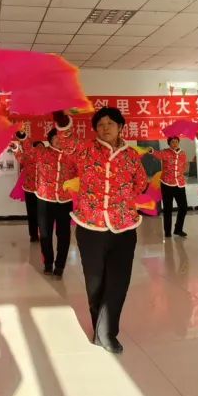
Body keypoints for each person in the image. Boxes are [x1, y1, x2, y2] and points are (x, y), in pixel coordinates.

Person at [55, 108, 149, 354]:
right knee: (95, 284)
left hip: (124, 227)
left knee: (118, 282)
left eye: (110, 123)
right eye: (100, 124)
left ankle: (107, 333)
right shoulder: (85, 150)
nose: (105, 128)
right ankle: (100, 327)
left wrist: (123, 198)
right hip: (90, 226)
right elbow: (67, 142)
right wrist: (61, 118)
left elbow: (141, 183)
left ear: (120, 127)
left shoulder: (131, 156)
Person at [33, 127, 76, 278]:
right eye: (56, 137)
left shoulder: (72, 156)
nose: (59, 140)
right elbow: (25, 154)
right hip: (45, 199)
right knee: (45, 234)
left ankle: (60, 266)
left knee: (63, 234)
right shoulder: (42, 153)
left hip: (65, 200)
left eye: (62, 138)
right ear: (50, 140)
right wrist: (20, 141)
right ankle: (48, 263)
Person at [153, 136, 188, 238]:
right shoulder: (165, 152)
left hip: (179, 184)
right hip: (167, 184)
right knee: (168, 209)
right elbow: (158, 154)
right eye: (172, 142)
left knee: (183, 207)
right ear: (169, 143)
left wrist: (182, 172)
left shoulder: (183, 153)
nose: (175, 143)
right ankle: (167, 232)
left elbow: (184, 165)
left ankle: (178, 229)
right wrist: (152, 151)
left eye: (176, 141)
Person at [9, 130, 40, 242]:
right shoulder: (27, 158)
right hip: (30, 190)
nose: (39, 150)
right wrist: (18, 145)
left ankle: (43, 234)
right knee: (31, 214)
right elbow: (20, 155)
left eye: (42, 148)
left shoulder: (47, 159)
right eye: (37, 148)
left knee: (42, 215)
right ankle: (33, 235)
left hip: (43, 192)